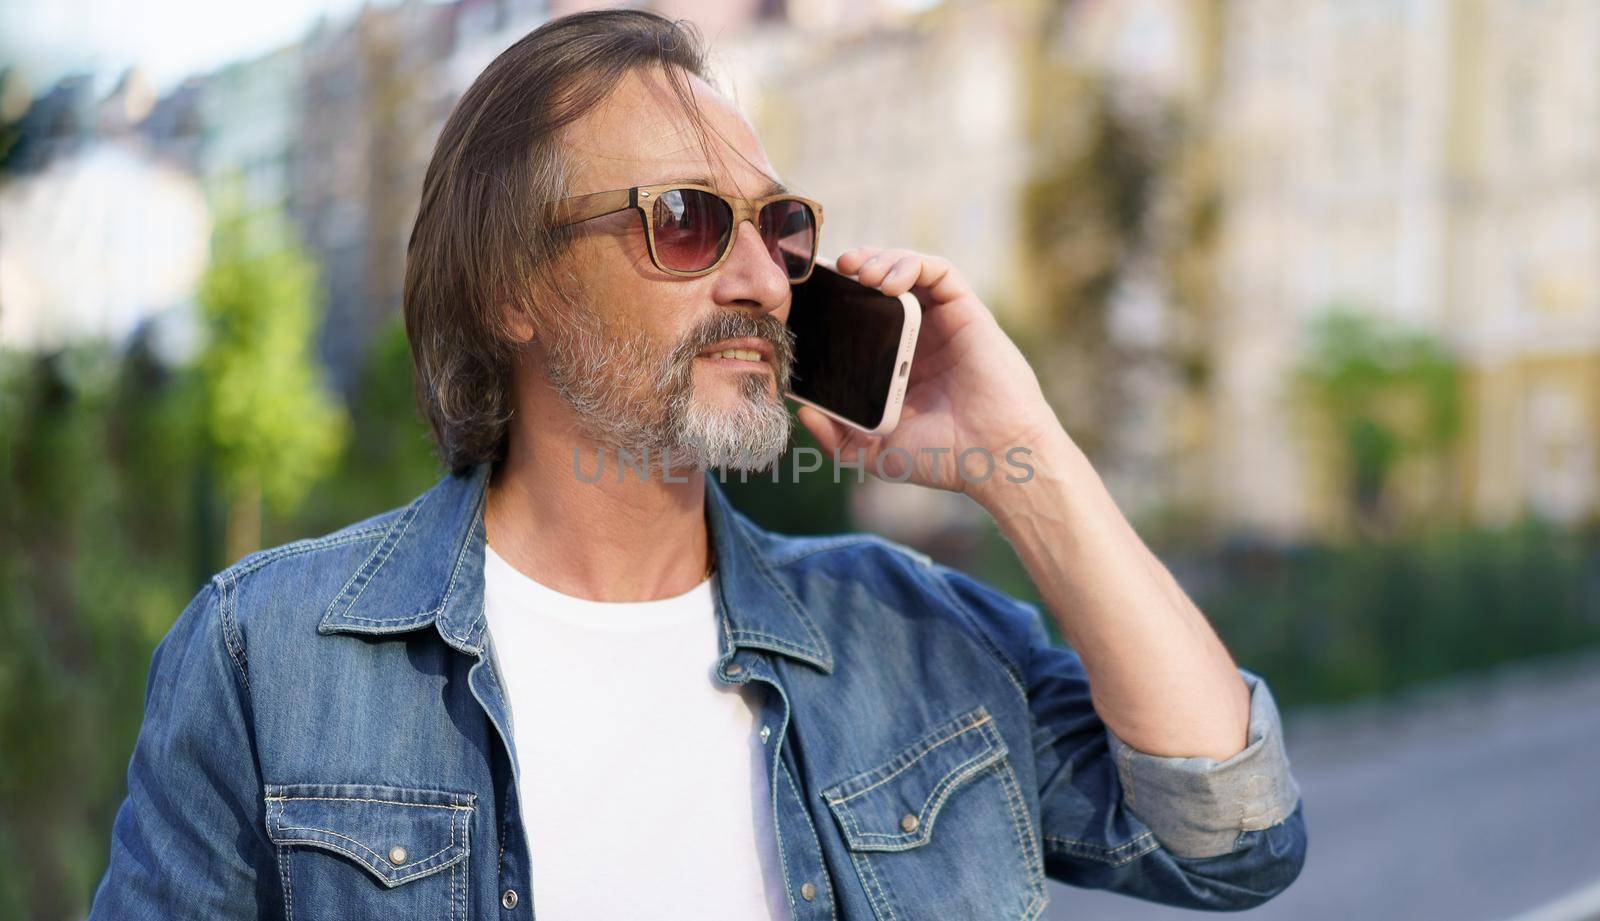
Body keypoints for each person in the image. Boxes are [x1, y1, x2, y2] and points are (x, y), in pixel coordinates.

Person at [89, 9, 1305, 919]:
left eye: (781, 227)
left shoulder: (909, 637)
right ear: (514, 287)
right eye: (684, 221)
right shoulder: (271, 656)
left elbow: (1235, 835)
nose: (763, 279)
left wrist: (1020, 454)